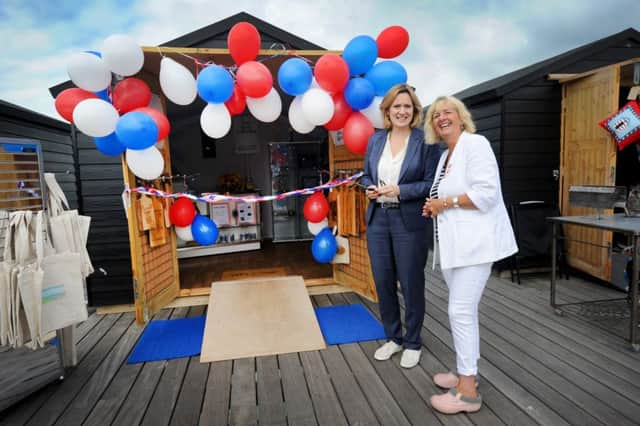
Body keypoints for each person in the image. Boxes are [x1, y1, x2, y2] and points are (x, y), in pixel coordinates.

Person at [422, 95, 517, 413]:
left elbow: (487, 194)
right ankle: (465, 373)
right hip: (455, 248)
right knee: (462, 312)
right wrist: (434, 206)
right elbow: (444, 196)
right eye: (436, 115)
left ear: (461, 117)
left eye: (448, 112)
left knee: (459, 312)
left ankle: (467, 393)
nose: (441, 117)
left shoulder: (476, 145)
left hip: (476, 245)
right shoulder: (445, 156)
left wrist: (444, 204)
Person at [361, 83, 441, 368]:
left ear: (415, 110)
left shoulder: (427, 142)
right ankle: (393, 338)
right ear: (388, 110)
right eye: (397, 106)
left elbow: (431, 184)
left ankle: (413, 342)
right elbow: (365, 176)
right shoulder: (375, 140)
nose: (402, 111)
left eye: (407, 106)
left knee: (410, 282)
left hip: (409, 220)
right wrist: (369, 188)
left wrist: (401, 191)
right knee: (383, 282)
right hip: (378, 220)